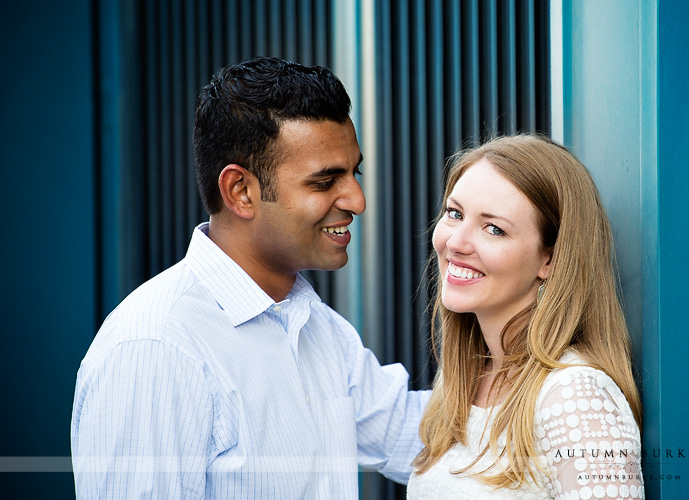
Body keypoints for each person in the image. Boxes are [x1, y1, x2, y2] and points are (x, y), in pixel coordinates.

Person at [71, 57, 429, 499]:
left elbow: (416, 437)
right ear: (240, 191)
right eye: (323, 182)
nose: (357, 199)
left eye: (353, 172)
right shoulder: (156, 347)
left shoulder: (313, 326)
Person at [407, 135, 644, 499]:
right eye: (455, 214)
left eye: (494, 228)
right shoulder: (464, 377)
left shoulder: (575, 397)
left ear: (549, 260)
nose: (456, 242)